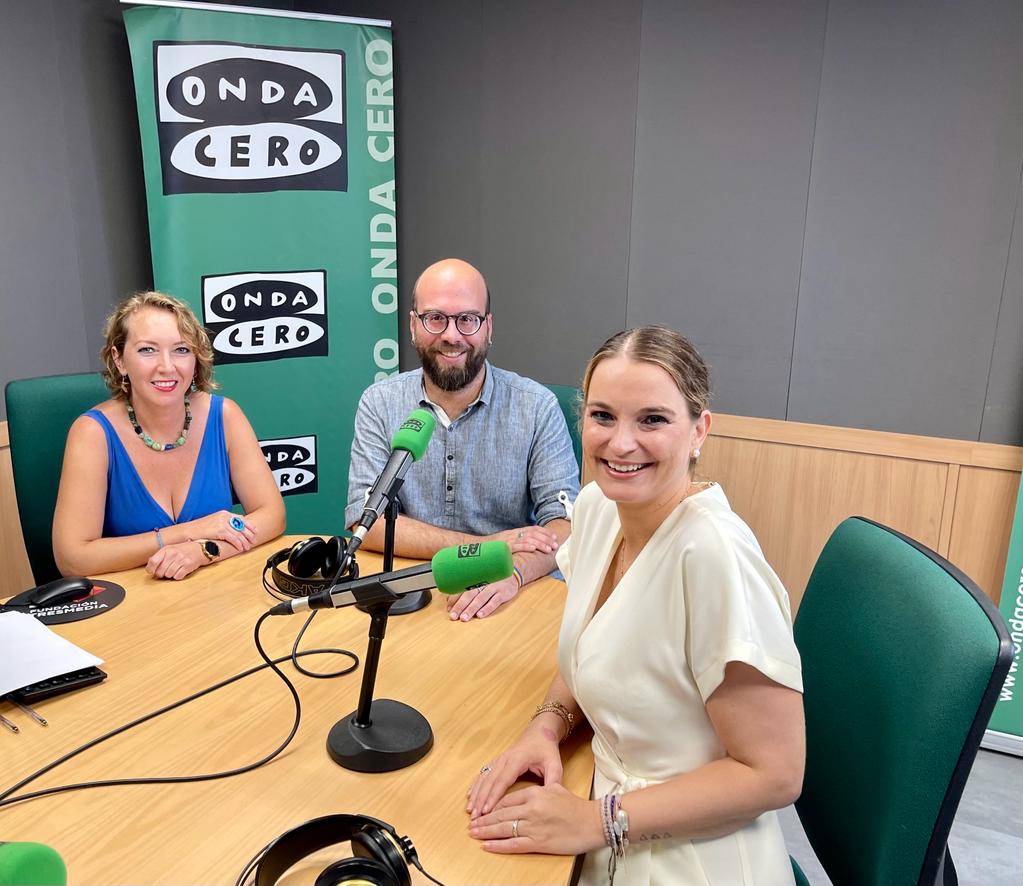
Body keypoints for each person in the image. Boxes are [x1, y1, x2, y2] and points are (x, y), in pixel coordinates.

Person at [466, 326, 805, 885]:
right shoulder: (600, 506)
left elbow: (774, 775)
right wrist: (545, 728)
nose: (621, 444)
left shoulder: (715, 556)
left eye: (652, 420)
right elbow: (594, 650)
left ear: (700, 430)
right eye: (602, 416)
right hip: (609, 821)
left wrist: (595, 820)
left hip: (689, 852)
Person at [345, 258, 580, 621]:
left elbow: (563, 528)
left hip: (505, 595)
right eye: (435, 318)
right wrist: (487, 546)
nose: (451, 336)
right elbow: (367, 523)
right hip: (411, 592)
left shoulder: (536, 407)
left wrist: (512, 575)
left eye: (467, 319)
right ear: (412, 325)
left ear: (488, 327)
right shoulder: (379, 403)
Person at [53, 291, 286, 580]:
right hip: (133, 607)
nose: (167, 366)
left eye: (181, 350)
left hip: (218, 594)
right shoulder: (92, 433)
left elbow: (271, 515)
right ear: (120, 360)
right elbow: (73, 559)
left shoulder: (224, 416)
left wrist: (204, 550)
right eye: (147, 350)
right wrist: (188, 532)